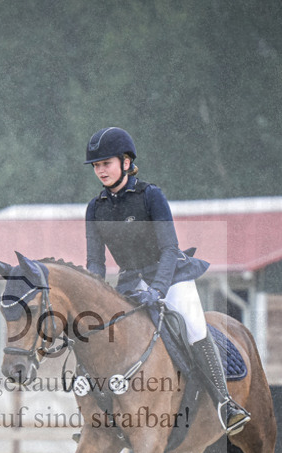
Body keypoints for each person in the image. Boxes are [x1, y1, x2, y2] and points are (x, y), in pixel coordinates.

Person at [83, 126, 250, 435]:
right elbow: (96, 262)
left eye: (106, 163)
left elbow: (169, 249)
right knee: (102, 336)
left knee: (193, 326)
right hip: (130, 282)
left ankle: (225, 404)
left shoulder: (150, 196)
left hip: (170, 276)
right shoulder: (96, 208)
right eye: (96, 166)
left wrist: (158, 290)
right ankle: (101, 418)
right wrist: (93, 299)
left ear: (125, 161)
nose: (100, 170)